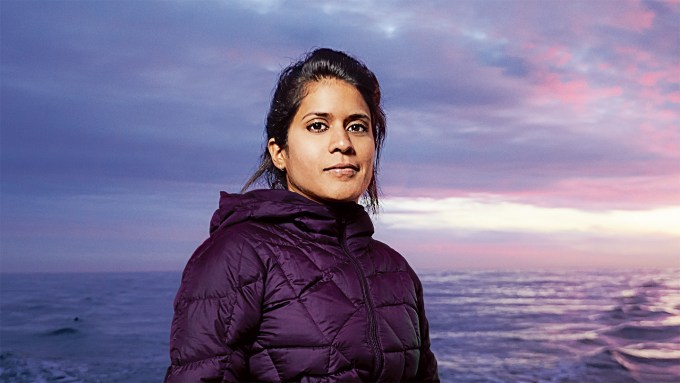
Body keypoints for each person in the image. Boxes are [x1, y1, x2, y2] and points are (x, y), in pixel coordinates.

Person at [165, 48, 439, 382]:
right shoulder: (239, 254)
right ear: (279, 152)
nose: (342, 142)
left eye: (357, 126)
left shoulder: (396, 270)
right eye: (318, 126)